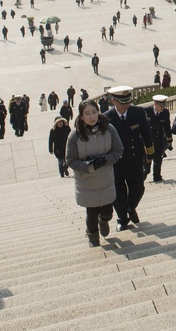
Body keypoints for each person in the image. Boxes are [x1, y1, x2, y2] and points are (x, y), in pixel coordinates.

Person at [66, 99, 123, 246]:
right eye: (87, 113)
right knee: (91, 213)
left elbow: (118, 150)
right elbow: (70, 160)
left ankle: (103, 221)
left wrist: (106, 159)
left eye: (94, 112)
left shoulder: (109, 129)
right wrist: (89, 165)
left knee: (107, 211)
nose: (91, 116)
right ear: (81, 116)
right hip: (86, 182)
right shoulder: (74, 136)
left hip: (106, 180)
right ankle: (92, 237)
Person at [104, 86, 154, 231]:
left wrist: (150, 154)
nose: (125, 105)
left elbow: (147, 133)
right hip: (116, 162)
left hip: (135, 159)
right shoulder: (106, 117)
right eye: (122, 102)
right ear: (113, 101)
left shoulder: (138, 112)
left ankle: (131, 208)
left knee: (138, 189)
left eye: (127, 101)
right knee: (118, 193)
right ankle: (122, 218)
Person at [145, 95, 174, 182]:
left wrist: (170, 140)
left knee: (158, 158)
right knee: (147, 160)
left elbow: (167, 126)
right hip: (147, 140)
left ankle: (157, 176)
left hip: (159, 139)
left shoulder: (165, 112)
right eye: (161, 106)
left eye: (164, 106)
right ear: (155, 104)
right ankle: (145, 171)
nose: (162, 108)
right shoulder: (146, 111)